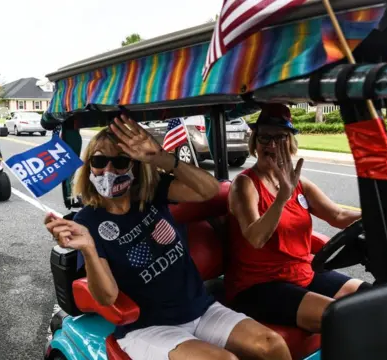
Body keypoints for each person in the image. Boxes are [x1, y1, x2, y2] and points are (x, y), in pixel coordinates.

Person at [45, 114, 291, 360]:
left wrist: (161, 157)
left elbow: (210, 190)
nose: (108, 170)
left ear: (135, 165)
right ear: (90, 166)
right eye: (99, 161)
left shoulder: (150, 192)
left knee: (273, 345)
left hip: (201, 308)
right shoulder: (88, 221)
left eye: (120, 161)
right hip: (149, 326)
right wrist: (88, 249)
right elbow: (107, 296)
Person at [225, 103, 371, 333]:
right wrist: (282, 198)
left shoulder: (300, 184)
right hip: (258, 285)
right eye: (264, 138)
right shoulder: (244, 185)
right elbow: (255, 238)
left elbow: (338, 215)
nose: (271, 145)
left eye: (280, 137)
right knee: (341, 317)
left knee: (373, 298)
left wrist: (379, 215)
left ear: (290, 143)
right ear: (255, 142)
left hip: (301, 273)